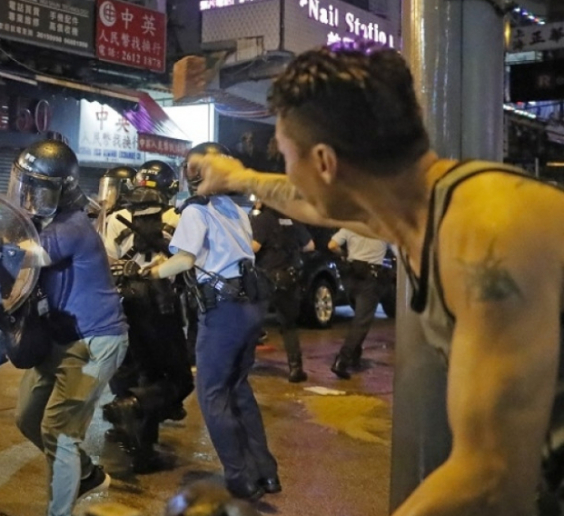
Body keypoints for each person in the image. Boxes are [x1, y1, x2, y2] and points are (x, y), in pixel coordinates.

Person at [187, 41, 564, 515]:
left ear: (325, 163)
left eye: (285, 156)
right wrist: (240, 177)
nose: (284, 170)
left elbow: (492, 476)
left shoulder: (489, 235)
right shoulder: (425, 209)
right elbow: (309, 201)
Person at [146, 142, 279, 504]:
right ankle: (265, 472)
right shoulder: (235, 208)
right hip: (250, 307)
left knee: (212, 393)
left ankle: (240, 477)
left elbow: (184, 261)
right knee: (238, 389)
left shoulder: (196, 210)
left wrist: (150, 272)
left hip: (222, 312)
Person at [10, 139, 129, 516]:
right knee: (28, 417)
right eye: (27, 185)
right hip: (60, 338)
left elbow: (19, 256)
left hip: (95, 340)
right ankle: (87, 474)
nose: (30, 195)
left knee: (58, 432)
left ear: (63, 190)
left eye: (40, 188)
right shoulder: (42, 224)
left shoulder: (71, 226)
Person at [101, 160, 194, 473]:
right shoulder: (177, 218)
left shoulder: (115, 219)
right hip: (161, 305)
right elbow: (188, 263)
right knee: (173, 379)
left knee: (131, 372)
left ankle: (130, 432)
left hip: (124, 302)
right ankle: (140, 441)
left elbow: (106, 262)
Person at [250, 201, 315, 382]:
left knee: (252, 323)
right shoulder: (292, 219)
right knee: (288, 326)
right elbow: (310, 245)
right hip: (289, 278)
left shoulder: (263, 219)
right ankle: (296, 368)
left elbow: (254, 247)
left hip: (266, 277)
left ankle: (242, 366)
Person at [327, 228, 390, 379]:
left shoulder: (351, 225)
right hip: (370, 277)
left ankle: (355, 356)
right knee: (362, 321)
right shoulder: (382, 228)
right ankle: (342, 360)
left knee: (360, 318)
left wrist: (344, 254)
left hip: (352, 276)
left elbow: (332, 245)